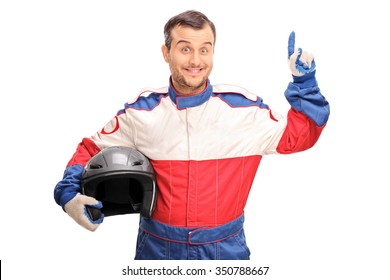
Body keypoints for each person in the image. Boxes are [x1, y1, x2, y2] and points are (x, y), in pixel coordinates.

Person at [54, 10, 330, 260]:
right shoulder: (141, 114)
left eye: (204, 50)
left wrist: (305, 85)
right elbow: (90, 148)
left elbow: (300, 136)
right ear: (166, 52)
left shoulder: (245, 111)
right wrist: (68, 195)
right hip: (157, 249)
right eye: (185, 49)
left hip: (224, 250)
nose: (196, 60)